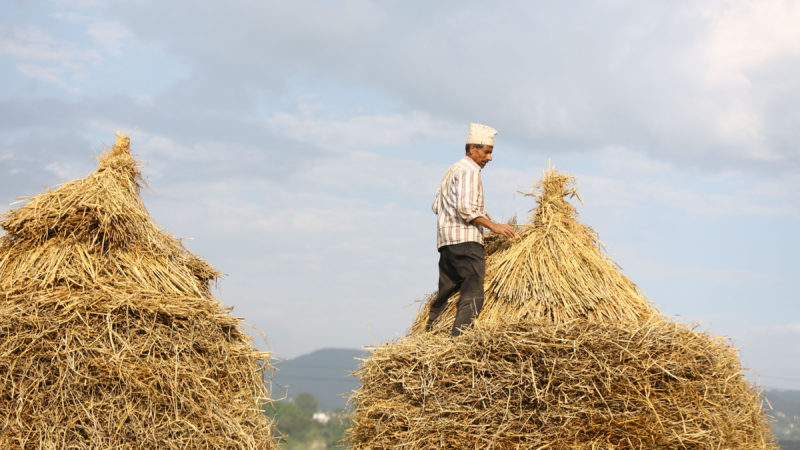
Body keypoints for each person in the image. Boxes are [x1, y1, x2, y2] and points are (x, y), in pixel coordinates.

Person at [427, 123, 517, 336]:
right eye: (487, 152)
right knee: (473, 291)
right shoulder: (469, 171)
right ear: (472, 149)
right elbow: (466, 209)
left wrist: (478, 211)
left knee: (446, 291)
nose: (489, 158)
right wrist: (493, 226)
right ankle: (459, 340)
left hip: (446, 242)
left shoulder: (453, 170)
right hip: (466, 241)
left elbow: (436, 206)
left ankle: (430, 334)